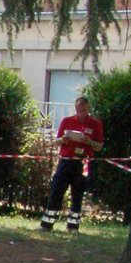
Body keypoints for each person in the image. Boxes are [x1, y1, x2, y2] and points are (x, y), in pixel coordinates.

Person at [41, 96, 105, 232]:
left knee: (78, 194)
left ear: (88, 108)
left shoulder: (95, 124)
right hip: (66, 161)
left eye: (84, 109)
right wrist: (63, 140)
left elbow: (99, 146)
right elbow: (56, 141)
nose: (81, 111)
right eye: (78, 109)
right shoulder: (67, 121)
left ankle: (73, 226)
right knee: (56, 190)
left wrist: (90, 142)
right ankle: (47, 224)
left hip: (82, 162)